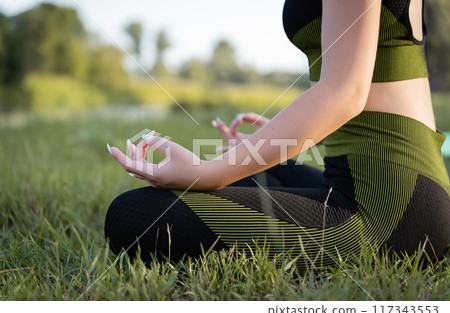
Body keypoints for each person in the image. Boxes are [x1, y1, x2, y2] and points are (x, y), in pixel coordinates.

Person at [105, 0, 450, 270]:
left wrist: (208, 172)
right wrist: (270, 142)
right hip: (363, 180)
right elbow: (365, 103)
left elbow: (345, 93)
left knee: (133, 214)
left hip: (395, 209)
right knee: (258, 172)